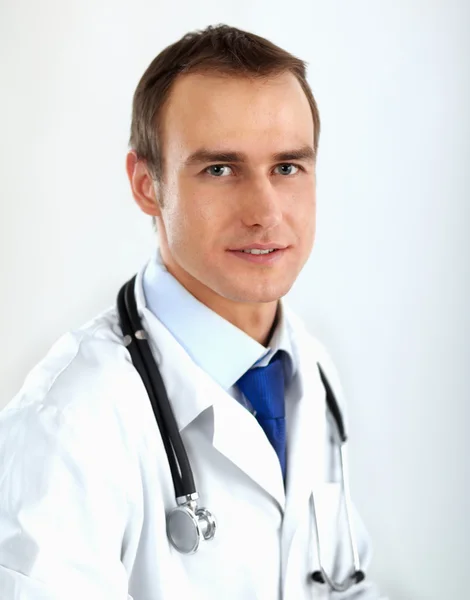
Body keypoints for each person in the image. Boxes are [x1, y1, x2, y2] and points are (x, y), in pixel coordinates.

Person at [0, 24, 386, 599]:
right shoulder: (68, 425)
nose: (264, 212)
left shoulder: (308, 369)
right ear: (146, 184)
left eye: (287, 167)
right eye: (220, 169)